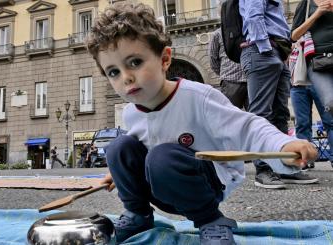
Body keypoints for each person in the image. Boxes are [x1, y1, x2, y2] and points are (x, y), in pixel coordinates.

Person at [86, 3, 317, 244]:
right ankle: (138, 214)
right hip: (162, 185)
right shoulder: (131, 112)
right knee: (118, 147)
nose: (126, 77)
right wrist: (118, 172)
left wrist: (284, 145)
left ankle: (212, 221)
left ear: (165, 59)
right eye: (113, 71)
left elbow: (248, 126)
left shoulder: (200, 97)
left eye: (135, 62)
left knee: (162, 156)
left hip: (207, 185)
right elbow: (136, 148)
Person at [239, 0, 318, 189]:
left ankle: (284, 166)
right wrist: (266, 48)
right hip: (263, 51)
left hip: (275, 52)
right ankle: (263, 170)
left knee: (280, 113)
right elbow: (254, 16)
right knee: (261, 114)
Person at [291, 0, 333, 116]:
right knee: (330, 102)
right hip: (317, 62)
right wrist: (317, 14)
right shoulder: (306, 3)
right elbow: (294, 35)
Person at [291, 85, 333, 167]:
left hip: (321, 82)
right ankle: (305, 158)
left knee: (330, 122)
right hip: (297, 83)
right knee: (302, 124)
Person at [209, 27, 248, 110]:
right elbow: (213, 60)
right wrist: (225, 74)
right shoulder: (218, 33)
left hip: (251, 80)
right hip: (230, 82)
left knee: (258, 117)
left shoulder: (248, 29)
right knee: (230, 118)